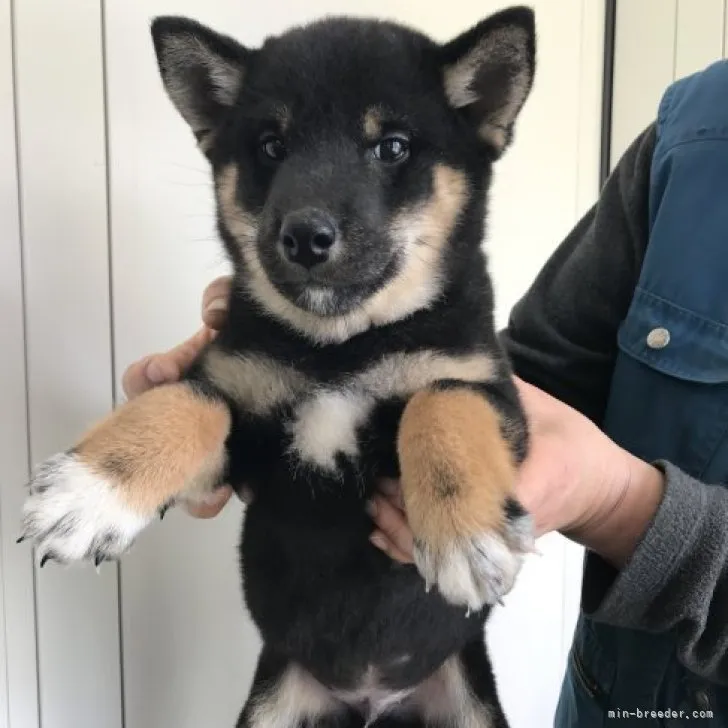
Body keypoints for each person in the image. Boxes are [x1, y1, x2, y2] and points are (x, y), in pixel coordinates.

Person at [123, 59, 728, 725]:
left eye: (390, 151)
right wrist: (243, 409)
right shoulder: (696, 129)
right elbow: (527, 373)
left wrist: (617, 502)